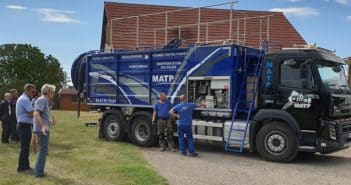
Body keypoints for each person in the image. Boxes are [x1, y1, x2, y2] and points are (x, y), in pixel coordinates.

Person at [33, 84, 56, 178]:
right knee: (43, 151)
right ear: (48, 92)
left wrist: (50, 122)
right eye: (53, 92)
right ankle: (38, 172)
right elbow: (36, 114)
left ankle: (38, 170)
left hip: (43, 128)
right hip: (42, 129)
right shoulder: (42, 100)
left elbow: (43, 116)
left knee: (43, 150)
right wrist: (42, 126)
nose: (54, 94)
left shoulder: (45, 101)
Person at [16, 84, 36, 173]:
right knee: (24, 148)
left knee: (26, 147)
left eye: (34, 92)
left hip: (25, 125)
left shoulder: (25, 99)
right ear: (27, 90)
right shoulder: (24, 99)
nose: (33, 93)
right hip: (24, 126)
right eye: (32, 91)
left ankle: (26, 166)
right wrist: (38, 112)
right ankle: (21, 168)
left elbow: (30, 112)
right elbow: (31, 113)